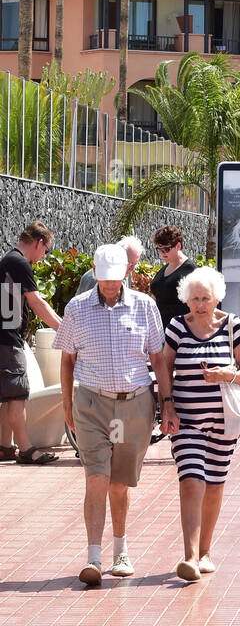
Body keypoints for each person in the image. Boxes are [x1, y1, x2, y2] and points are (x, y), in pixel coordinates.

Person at [55, 243, 169, 584]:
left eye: (114, 279)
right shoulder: (77, 308)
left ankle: (121, 551)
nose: (108, 285)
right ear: (94, 270)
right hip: (92, 405)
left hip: (130, 407)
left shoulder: (145, 307)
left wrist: (168, 403)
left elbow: (158, 357)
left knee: (118, 483)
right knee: (95, 477)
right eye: (103, 279)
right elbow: (67, 359)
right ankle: (93, 557)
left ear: (126, 274)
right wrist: (66, 404)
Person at [156, 266, 240, 582]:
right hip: (187, 421)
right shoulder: (176, 327)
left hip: (224, 421)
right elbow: (163, 368)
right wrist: (167, 405)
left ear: (216, 299)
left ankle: (206, 552)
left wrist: (226, 374)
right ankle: (190, 556)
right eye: (195, 298)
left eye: (205, 298)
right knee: (191, 479)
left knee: (214, 483)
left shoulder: (232, 326)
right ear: (186, 300)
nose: (199, 304)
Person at [0, 221, 63, 465]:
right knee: (17, 394)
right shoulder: (19, 263)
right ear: (39, 243)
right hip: (8, 338)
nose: (44, 255)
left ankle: (5, 446)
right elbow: (37, 303)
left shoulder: (9, 260)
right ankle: (26, 449)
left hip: (5, 337)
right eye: (46, 250)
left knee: (8, 394)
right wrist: (64, 328)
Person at [148, 226, 196, 327]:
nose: (163, 253)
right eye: (159, 249)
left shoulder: (191, 271)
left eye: (167, 249)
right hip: (160, 329)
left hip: (180, 331)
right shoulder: (165, 268)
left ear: (178, 246)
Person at [75, 234, 144, 297]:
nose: (132, 269)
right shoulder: (95, 279)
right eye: (130, 264)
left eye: (135, 265)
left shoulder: (126, 273)